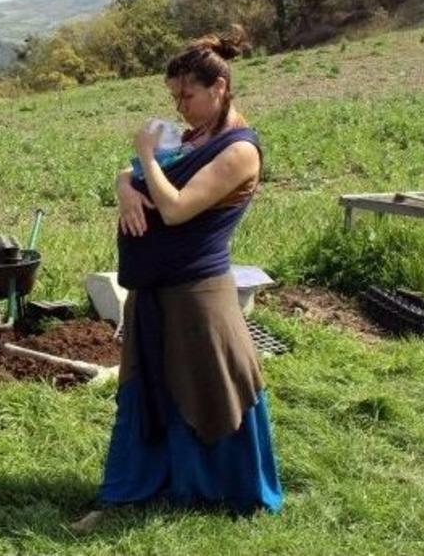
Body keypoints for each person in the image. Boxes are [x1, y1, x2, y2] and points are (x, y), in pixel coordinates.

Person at [73, 28, 281, 532]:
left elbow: (177, 207)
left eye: (186, 95)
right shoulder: (192, 139)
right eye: (173, 97)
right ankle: (135, 491)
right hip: (153, 290)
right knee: (148, 392)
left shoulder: (239, 150)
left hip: (197, 294)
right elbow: (134, 178)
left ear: (219, 88)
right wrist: (126, 186)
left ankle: (225, 489)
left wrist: (145, 154)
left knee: (210, 390)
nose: (179, 107)